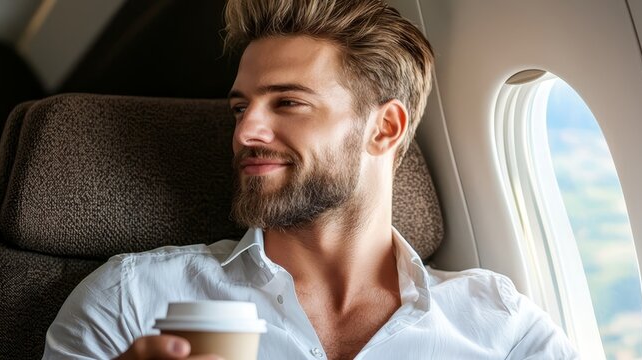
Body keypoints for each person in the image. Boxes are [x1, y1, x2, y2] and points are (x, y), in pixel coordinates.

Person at [43, 0, 578, 359]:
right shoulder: (131, 302)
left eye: (288, 103)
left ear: (384, 128)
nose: (246, 131)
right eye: (240, 108)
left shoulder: (500, 328)